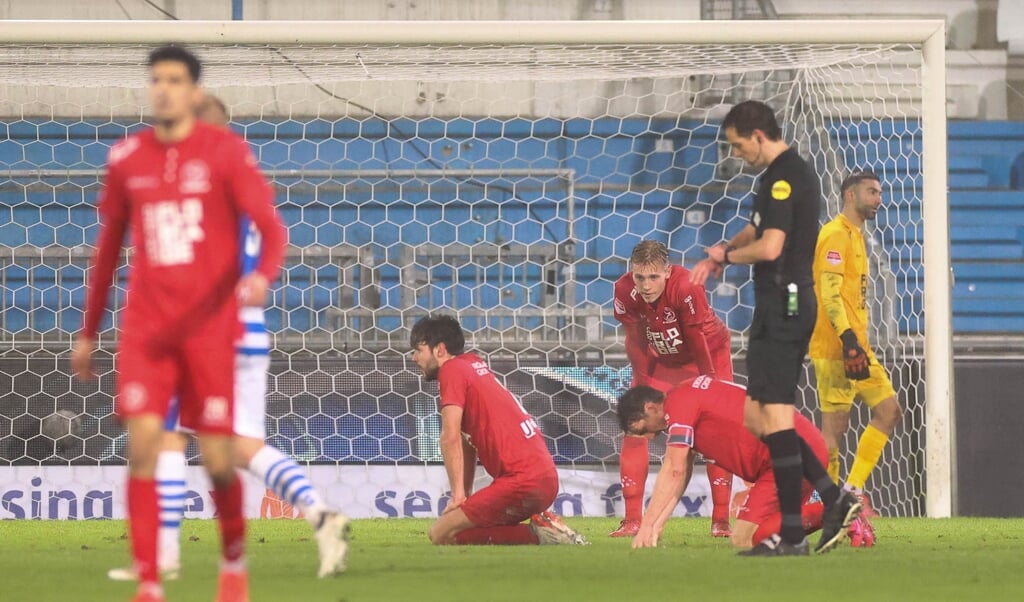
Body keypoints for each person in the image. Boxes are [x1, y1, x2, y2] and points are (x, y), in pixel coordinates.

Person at [72, 46, 287, 602]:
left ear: (194, 90)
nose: (163, 89)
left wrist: (262, 275)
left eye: (174, 80)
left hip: (209, 330)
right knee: (143, 446)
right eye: (156, 79)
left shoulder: (225, 154)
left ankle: (232, 559)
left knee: (218, 460)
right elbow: (107, 251)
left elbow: (272, 227)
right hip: (146, 329)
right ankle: (149, 580)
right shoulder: (127, 158)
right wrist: (88, 331)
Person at [106, 94, 349, 584]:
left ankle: (165, 554)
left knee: (168, 433)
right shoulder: (245, 180)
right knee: (244, 446)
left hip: (206, 333)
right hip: (251, 334)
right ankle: (319, 511)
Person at [690, 100, 860, 555]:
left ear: (758, 135)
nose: (736, 153)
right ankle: (831, 494)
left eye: (738, 144)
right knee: (757, 419)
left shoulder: (788, 177)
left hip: (787, 304)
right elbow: (754, 230)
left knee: (776, 418)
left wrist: (726, 258)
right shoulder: (771, 177)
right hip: (771, 307)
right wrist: (721, 250)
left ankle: (792, 534)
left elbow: (769, 248)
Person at [409, 315, 587, 546]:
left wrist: (457, 496)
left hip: (522, 481)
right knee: (465, 530)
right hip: (544, 479)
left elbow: (449, 437)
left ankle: (543, 536)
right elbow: (466, 441)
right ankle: (545, 528)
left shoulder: (451, 370)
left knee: (441, 534)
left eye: (418, 350)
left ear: (440, 350)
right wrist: (466, 493)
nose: (414, 358)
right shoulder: (471, 363)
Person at [610, 240, 735, 538]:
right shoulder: (623, 290)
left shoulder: (687, 286)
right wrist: (641, 383)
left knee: (715, 433)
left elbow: (697, 339)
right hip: (663, 362)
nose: (646, 285)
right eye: (640, 277)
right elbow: (635, 340)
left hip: (707, 356)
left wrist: (709, 384)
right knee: (634, 427)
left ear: (668, 271)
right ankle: (631, 520)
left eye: (653, 277)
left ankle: (720, 521)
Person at [617, 377, 827, 550]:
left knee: (743, 540)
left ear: (651, 407)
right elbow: (683, 472)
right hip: (802, 446)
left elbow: (674, 469)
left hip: (786, 456)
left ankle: (837, 509)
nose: (651, 437)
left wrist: (645, 527)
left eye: (644, 429)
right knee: (766, 535)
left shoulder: (678, 403)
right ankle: (843, 514)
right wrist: (656, 525)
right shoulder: (687, 394)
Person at [809, 170, 903, 547]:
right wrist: (847, 340)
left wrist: (855, 342)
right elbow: (829, 293)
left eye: (880, 192)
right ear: (850, 195)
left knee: (890, 409)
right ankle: (831, 503)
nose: (879, 198)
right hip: (835, 349)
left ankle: (851, 489)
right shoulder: (833, 234)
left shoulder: (857, 235)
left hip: (856, 346)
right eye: (872, 191)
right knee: (835, 429)